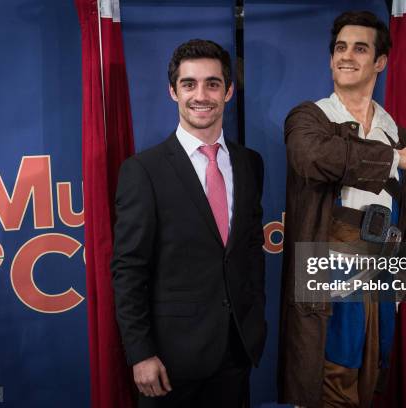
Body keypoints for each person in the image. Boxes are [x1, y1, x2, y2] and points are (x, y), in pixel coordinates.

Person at [277, 11, 406, 408]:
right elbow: (313, 157)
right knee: (330, 382)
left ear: (380, 62)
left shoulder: (398, 133)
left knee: (369, 386)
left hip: (379, 278)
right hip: (328, 277)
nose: (346, 56)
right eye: (340, 48)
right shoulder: (311, 118)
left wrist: (400, 288)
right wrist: (396, 160)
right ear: (331, 59)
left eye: (360, 48)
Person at [111, 39, 266, 408]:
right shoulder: (143, 170)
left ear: (228, 91)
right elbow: (128, 269)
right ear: (172, 91)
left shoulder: (250, 163)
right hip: (169, 362)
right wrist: (140, 353)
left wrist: (255, 323)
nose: (202, 95)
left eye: (213, 84)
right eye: (189, 84)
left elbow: (249, 251)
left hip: (237, 353)